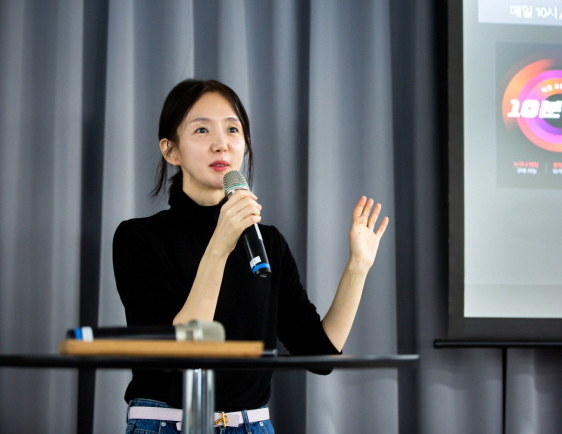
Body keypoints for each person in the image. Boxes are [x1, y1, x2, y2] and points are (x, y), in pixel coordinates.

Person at [113, 79, 389, 434]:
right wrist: (220, 245)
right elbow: (179, 353)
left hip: (250, 425)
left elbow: (320, 356)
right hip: (166, 423)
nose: (221, 144)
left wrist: (357, 268)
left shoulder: (266, 242)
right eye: (201, 130)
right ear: (171, 151)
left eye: (232, 130)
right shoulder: (139, 237)